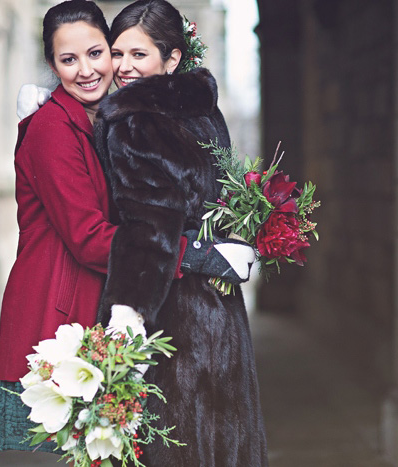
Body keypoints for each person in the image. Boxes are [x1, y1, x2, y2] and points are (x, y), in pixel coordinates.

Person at [0, 0, 253, 454]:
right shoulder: (53, 129)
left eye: (96, 53)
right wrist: (198, 254)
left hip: (105, 298)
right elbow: (90, 238)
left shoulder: (108, 114)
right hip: (63, 307)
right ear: (51, 64)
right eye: (67, 60)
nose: (88, 70)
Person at [95, 1, 268, 465]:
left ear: (171, 59)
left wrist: (127, 312)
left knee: (173, 444)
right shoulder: (205, 112)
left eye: (139, 55)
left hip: (170, 314)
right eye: (117, 53)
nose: (123, 67)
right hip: (220, 306)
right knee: (222, 436)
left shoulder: (133, 123)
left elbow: (148, 225)